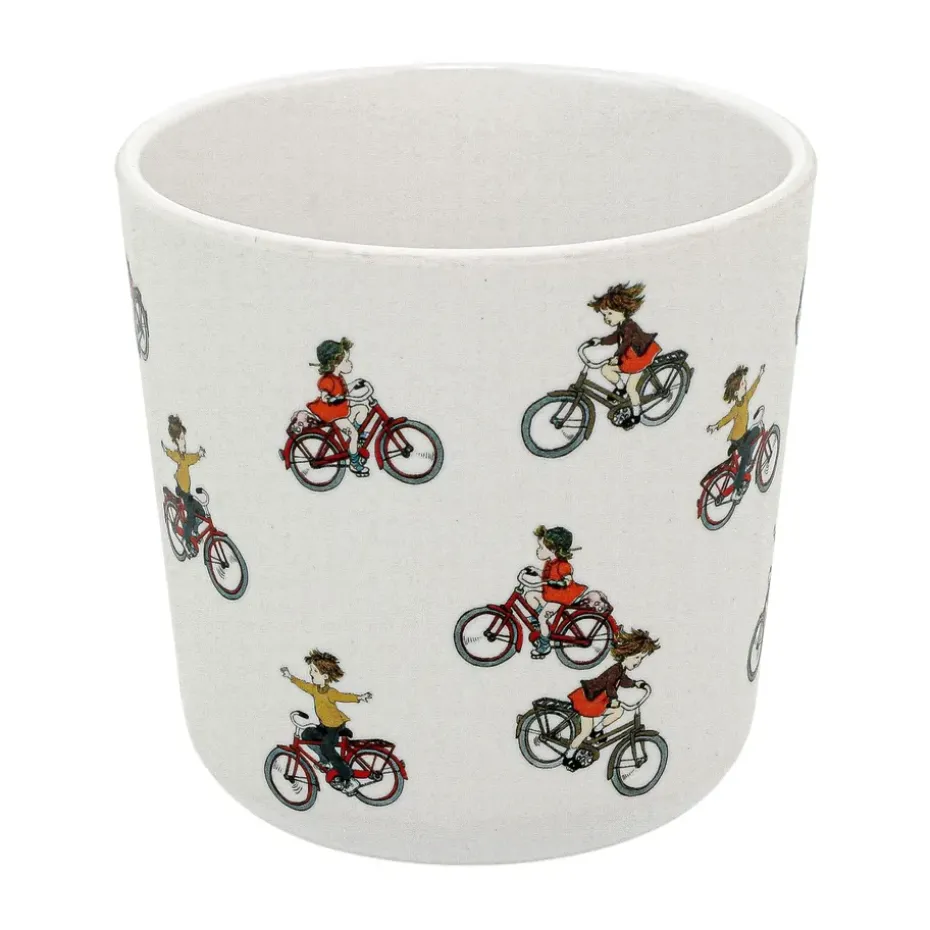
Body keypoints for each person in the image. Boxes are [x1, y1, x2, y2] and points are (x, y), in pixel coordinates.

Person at [562, 627, 660, 770]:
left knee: (618, 711)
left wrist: (635, 684)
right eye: (637, 657)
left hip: (598, 700)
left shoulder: (620, 670)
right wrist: (613, 699)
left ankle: (597, 730)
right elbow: (610, 685)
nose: (638, 661)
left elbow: (623, 680)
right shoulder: (615, 669)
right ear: (627, 653)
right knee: (585, 731)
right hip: (589, 699)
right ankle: (568, 756)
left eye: (641, 658)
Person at [280, 650, 372, 795]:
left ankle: (349, 778)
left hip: (335, 726)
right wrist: (290, 676)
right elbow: (303, 685)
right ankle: (326, 761)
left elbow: (344, 697)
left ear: (325, 676)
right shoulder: (315, 689)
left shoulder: (330, 692)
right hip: (325, 725)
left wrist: (360, 697)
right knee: (307, 734)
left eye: (314, 671)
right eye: (311, 670)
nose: (311, 674)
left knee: (327, 747)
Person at [588, 282, 661, 429]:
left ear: (622, 310)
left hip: (639, 358)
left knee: (631, 389)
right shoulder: (622, 325)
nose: (606, 318)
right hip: (629, 357)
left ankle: (636, 415)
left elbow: (626, 342)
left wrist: (617, 357)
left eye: (609, 313)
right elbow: (615, 337)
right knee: (606, 369)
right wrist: (600, 341)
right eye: (604, 315)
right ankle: (620, 388)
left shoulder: (630, 326)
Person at [308, 338, 370, 476]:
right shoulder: (327, 380)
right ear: (335, 363)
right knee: (354, 434)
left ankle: (355, 438)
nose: (350, 363)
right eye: (346, 361)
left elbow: (344, 390)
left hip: (342, 411)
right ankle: (354, 463)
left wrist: (355, 384)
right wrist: (331, 399)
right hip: (333, 414)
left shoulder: (339, 378)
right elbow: (325, 396)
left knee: (363, 409)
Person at [525, 525, 588, 659]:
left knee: (542, 618)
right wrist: (536, 571)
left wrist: (559, 583)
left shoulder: (563, 565)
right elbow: (547, 575)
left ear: (553, 549)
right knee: (530, 595)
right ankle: (540, 622)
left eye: (541, 547)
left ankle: (544, 645)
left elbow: (567, 579)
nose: (538, 550)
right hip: (551, 596)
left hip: (561, 597)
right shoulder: (550, 563)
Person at [706, 363, 766, 497]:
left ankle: (746, 460)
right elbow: (727, 418)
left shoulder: (745, 399)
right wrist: (716, 426)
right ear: (736, 392)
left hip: (742, 436)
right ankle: (737, 488)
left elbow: (752, 389)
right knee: (744, 460)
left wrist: (760, 375)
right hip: (738, 439)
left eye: (744, 382)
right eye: (743, 384)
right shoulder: (736, 408)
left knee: (755, 431)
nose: (746, 385)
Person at [161, 415, 206, 557]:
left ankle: (193, 530)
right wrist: (165, 449)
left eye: (184, 438)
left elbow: (192, 458)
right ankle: (187, 541)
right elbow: (171, 454)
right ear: (175, 441)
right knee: (191, 516)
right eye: (181, 439)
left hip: (187, 492)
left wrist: (199, 454)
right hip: (182, 492)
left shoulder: (185, 458)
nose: (184, 441)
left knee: (201, 511)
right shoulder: (178, 456)